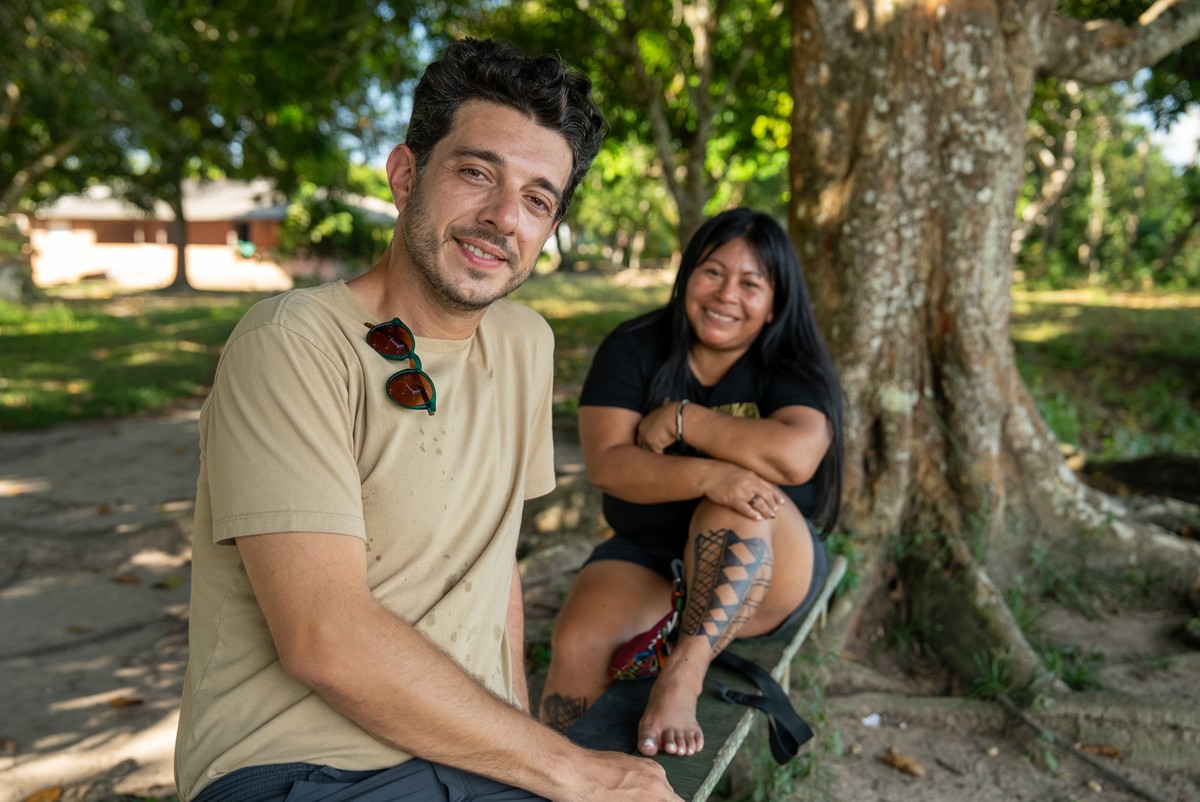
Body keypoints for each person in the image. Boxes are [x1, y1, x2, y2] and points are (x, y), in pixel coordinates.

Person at [174, 38, 684, 802]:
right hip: (301, 768)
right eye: (476, 172)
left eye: (539, 199)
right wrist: (569, 769)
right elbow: (325, 640)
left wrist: (524, 741)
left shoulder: (525, 343)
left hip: (470, 754)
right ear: (405, 174)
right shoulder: (291, 342)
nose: (503, 217)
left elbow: (491, 564)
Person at [538, 208, 844, 759]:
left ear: (774, 302)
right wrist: (711, 474)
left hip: (769, 565)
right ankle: (560, 772)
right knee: (579, 639)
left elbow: (796, 460)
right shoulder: (634, 347)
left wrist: (686, 419)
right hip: (650, 555)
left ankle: (683, 674)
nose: (727, 294)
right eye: (713, 272)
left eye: (751, 283)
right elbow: (608, 464)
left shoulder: (791, 362)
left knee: (743, 501)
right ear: (686, 278)